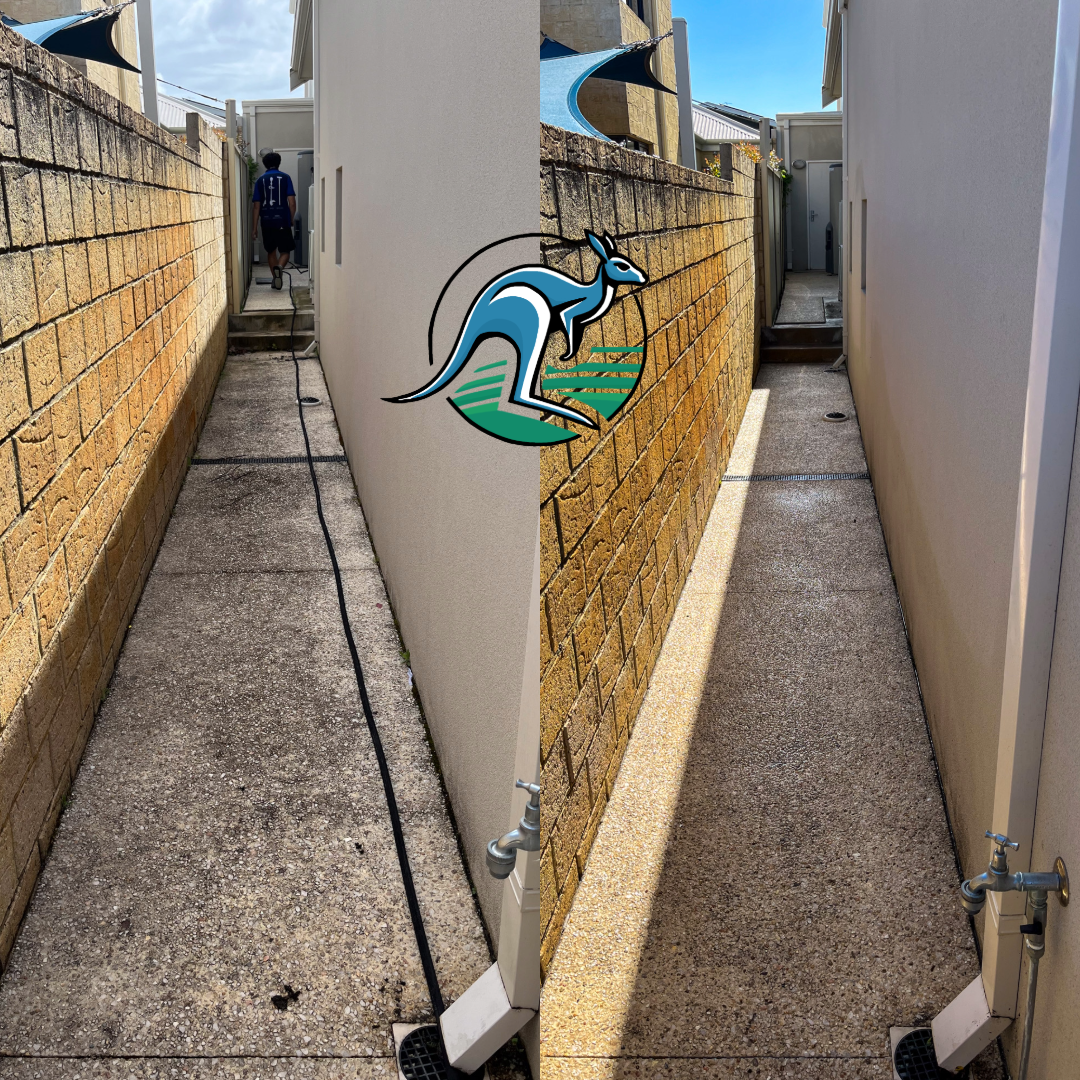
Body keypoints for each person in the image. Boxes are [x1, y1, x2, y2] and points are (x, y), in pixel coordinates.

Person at [252, 151, 296, 290]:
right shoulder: (286, 177)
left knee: (271, 251)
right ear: (279, 163)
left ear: (265, 164)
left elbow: (256, 206)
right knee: (285, 251)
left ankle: (275, 279)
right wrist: (291, 218)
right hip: (282, 220)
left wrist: (254, 229)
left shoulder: (259, 181)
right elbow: (292, 202)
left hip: (266, 221)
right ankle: (280, 267)